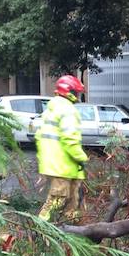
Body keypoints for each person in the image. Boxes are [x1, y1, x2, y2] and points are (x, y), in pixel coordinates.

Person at [37, 74, 89, 223]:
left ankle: (72, 237)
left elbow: (40, 137)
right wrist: (81, 157)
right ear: (70, 92)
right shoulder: (67, 110)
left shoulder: (50, 110)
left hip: (57, 165)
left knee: (72, 202)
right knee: (56, 201)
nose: (78, 96)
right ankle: (40, 231)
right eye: (77, 92)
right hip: (63, 165)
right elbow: (70, 139)